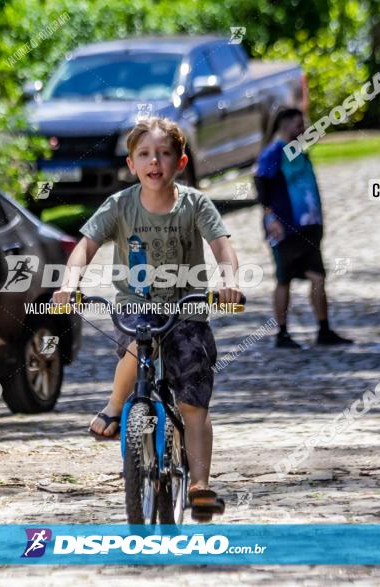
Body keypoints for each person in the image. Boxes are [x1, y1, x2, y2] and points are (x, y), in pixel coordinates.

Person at [51, 116, 243, 507]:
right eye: (144, 155)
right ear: (131, 165)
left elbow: (222, 244)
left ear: (181, 162)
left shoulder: (195, 204)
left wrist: (229, 280)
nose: (154, 162)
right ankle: (116, 405)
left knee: (192, 402)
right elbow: (85, 246)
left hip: (185, 308)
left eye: (164, 154)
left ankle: (198, 485)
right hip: (136, 305)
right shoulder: (119, 206)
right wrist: (70, 284)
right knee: (136, 346)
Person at [254, 108, 352, 348]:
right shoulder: (274, 153)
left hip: (308, 227)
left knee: (318, 277)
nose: (304, 129)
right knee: (284, 279)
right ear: (285, 125)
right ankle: (282, 333)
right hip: (285, 229)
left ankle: (324, 329)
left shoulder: (301, 153)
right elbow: (261, 183)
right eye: (299, 125)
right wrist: (270, 217)